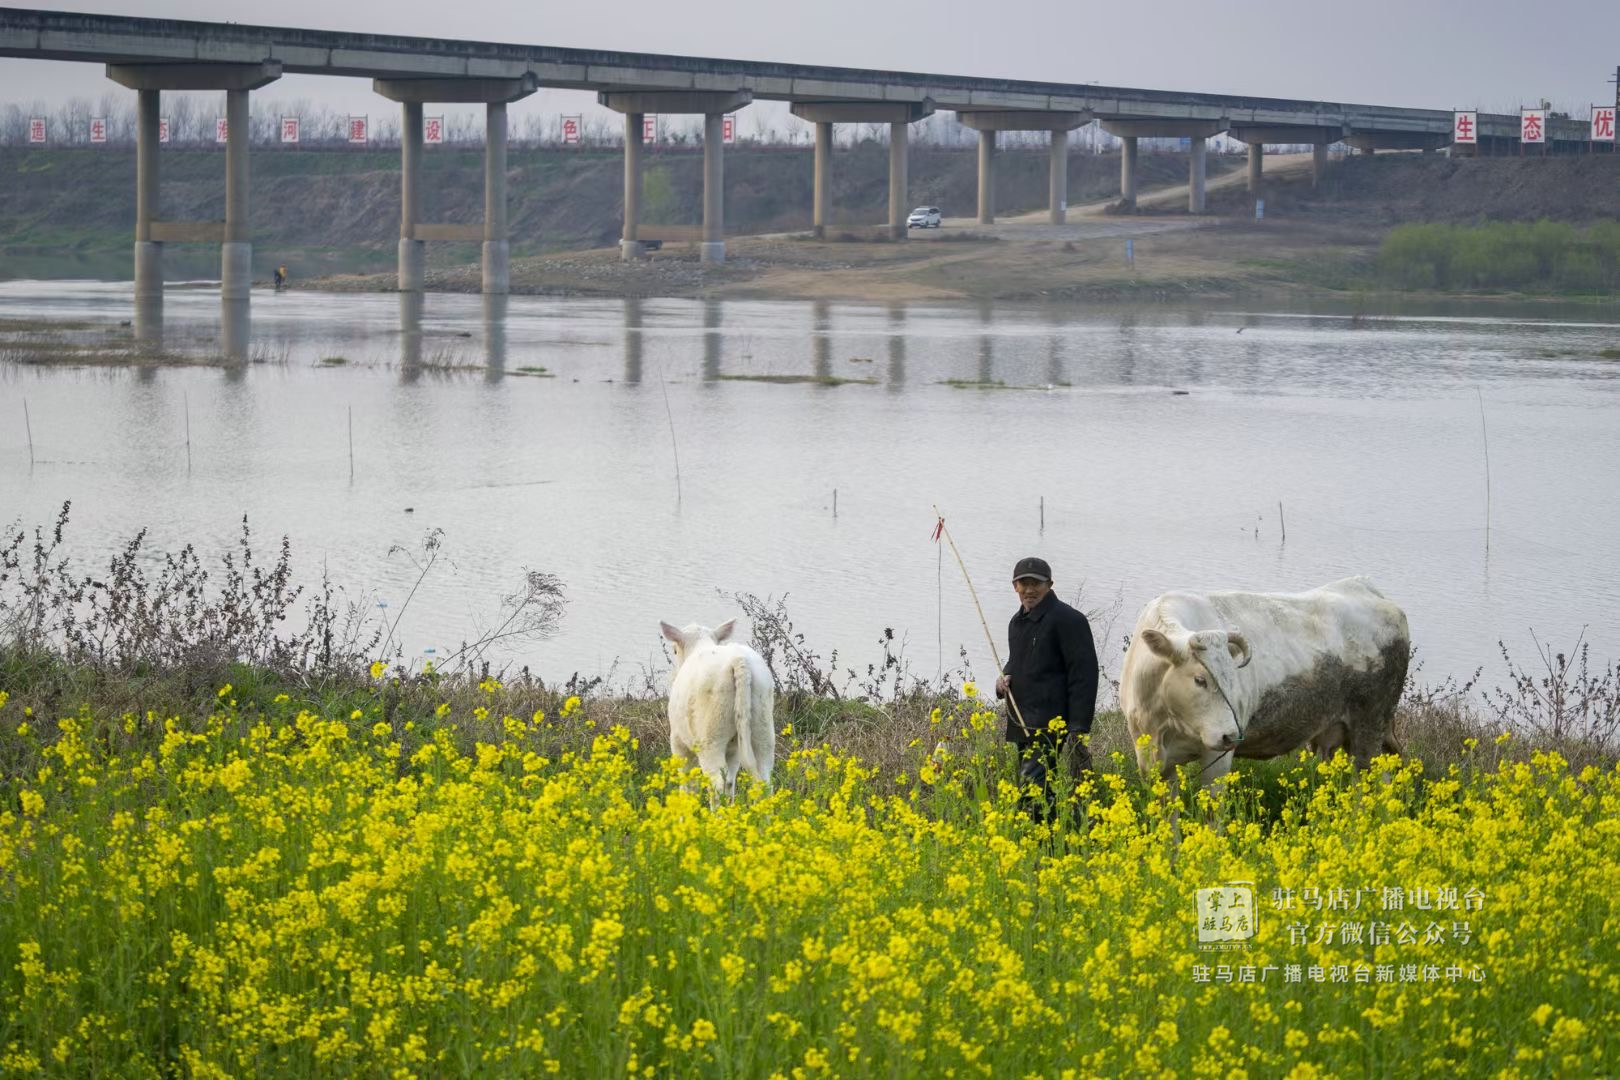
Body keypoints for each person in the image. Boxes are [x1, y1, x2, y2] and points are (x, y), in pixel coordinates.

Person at [994, 556, 1100, 824]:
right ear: (1015, 586)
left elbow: (1084, 675)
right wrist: (1003, 679)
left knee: (1032, 791)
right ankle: (1057, 837)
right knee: (1039, 789)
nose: (1029, 590)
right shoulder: (1017, 622)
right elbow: (1017, 661)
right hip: (1022, 720)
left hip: (1050, 724)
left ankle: (1042, 839)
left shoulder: (1069, 620)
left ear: (1050, 585)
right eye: (1024, 584)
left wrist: (1078, 727)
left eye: (1036, 584)